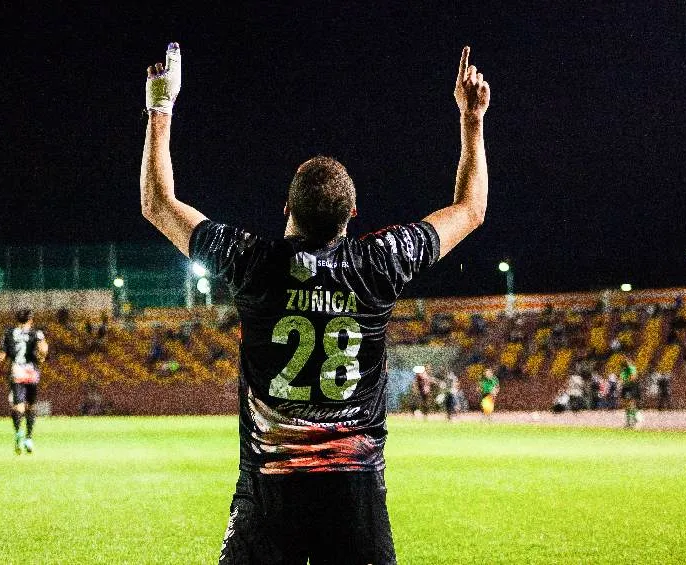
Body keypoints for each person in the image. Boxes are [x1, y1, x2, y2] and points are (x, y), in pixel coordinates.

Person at [141, 42, 490, 564]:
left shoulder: (253, 262)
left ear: (286, 208)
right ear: (352, 212)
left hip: (269, 490)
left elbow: (158, 204)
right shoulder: (379, 262)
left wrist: (160, 108)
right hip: (355, 495)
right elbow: (471, 208)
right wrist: (471, 120)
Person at [0, 308, 48, 454]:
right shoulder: (36, 333)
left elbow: (1, 355)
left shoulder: (8, 333)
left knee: (18, 406)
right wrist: (42, 356)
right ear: (31, 320)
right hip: (31, 371)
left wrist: (3, 356)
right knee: (30, 406)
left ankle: (18, 432)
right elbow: (43, 349)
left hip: (16, 371)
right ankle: (29, 438)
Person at [619, 356, 641, 428]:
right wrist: (624, 381)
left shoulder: (632, 368)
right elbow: (621, 380)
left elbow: (634, 378)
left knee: (631, 404)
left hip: (632, 387)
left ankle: (633, 421)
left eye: (627, 361)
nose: (625, 362)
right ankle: (629, 422)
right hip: (625, 388)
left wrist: (625, 381)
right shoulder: (623, 370)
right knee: (626, 405)